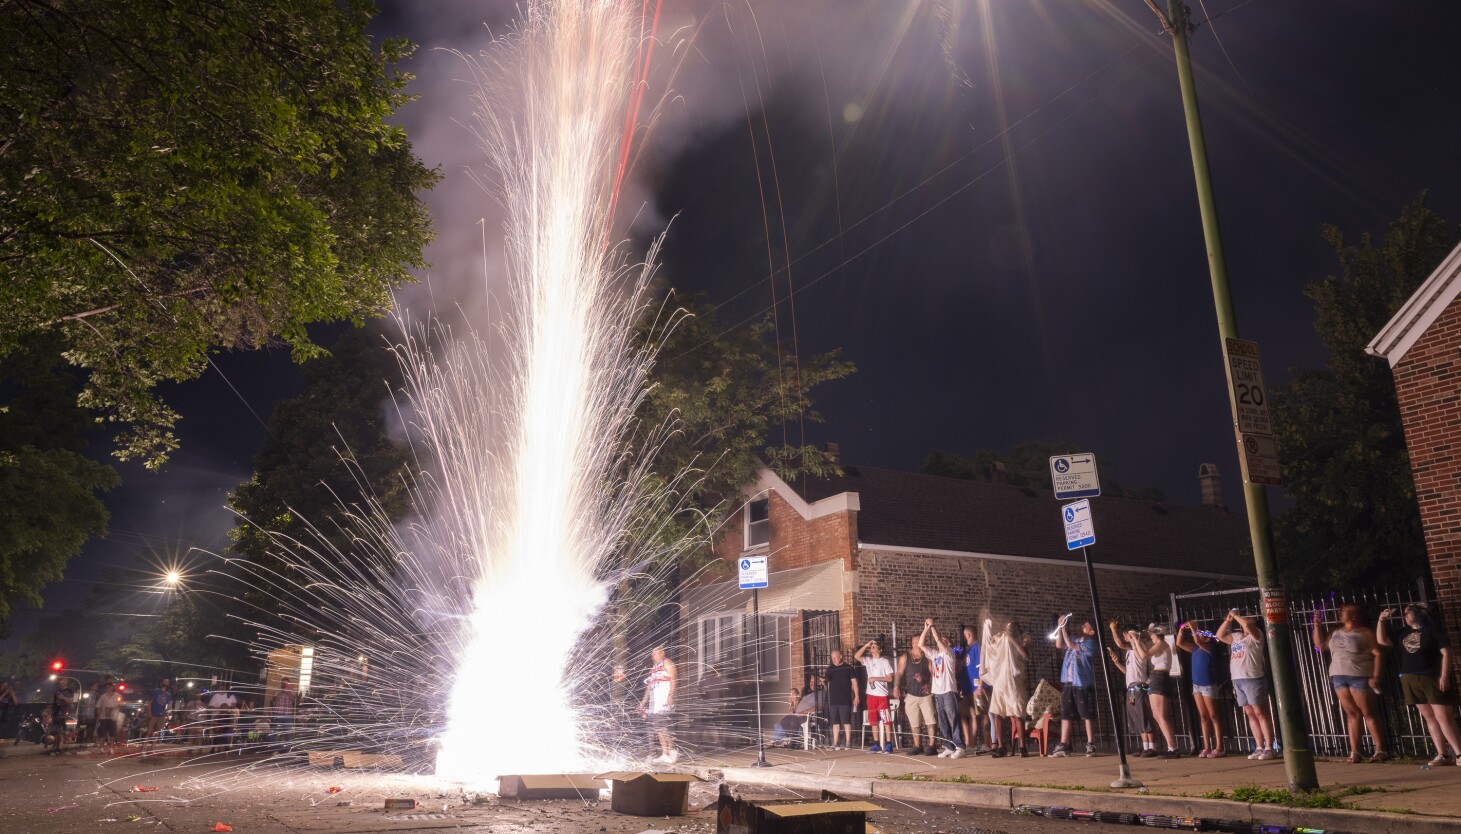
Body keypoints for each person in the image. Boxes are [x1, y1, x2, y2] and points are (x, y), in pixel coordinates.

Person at [1378, 605, 1457, 765]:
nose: (1405, 615)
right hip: (1410, 678)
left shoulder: (1432, 631)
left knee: (1444, 717)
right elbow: (1382, 640)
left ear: (1419, 613)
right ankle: (1442, 754)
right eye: (1404, 612)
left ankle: (1459, 753)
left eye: (1409, 611)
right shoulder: (1403, 632)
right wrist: (1381, 621)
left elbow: (1447, 652)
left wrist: (1444, 675)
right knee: (1430, 717)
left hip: (1431, 676)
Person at [1312, 603, 1386, 763]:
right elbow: (1319, 646)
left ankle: (1380, 749)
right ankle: (1355, 751)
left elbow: (1377, 653)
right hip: (1338, 675)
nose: (1340, 613)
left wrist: (1375, 676)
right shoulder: (1335, 631)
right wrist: (1317, 627)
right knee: (1352, 713)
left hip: (1359, 674)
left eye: (1344, 611)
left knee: (1368, 712)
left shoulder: (1364, 633)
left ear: (1354, 615)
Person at [1216, 609, 1276, 760]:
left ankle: (1270, 747)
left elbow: (1248, 626)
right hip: (1238, 679)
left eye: (1250, 620)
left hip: (1252, 677)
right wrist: (1228, 620)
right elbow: (1220, 635)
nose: (1246, 622)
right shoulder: (1237, 637)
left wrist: (1236, 615)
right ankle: (1259, 746)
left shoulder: (1257, 635)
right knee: (1250, 713)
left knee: (1260, 712)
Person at [1050, 614, 1099, 757]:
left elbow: (1071, 646)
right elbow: (1059, 644)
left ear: (1092, 631)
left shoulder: (1091, 643)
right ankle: (1064, 744)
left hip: (1082, 682)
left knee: (1086, 713)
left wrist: (1063, 627)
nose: (1083, 626)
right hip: (1068, 681)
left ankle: (1090, 743)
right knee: (1066, 713)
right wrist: (1060, 627)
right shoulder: (1075, 638)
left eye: (1087, 625)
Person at [1176, 622, 1227, 758]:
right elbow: (1179, 643)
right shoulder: (1195, 649)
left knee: (1214, 715)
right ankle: (1206, 747)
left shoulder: (1209, 647)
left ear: (1208, 637)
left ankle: (1219, 747)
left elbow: (1198, 640)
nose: (1198, 635)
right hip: (1197, 685)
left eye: (1202, 633)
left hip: (1208, 685)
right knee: (1203, 716)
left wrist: (1193, 628)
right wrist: (1181, 630)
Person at [1107, 620, 1156, 758]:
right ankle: (1145, 746)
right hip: (1132, 688)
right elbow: (1128, 672)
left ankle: (1152, 747)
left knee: (1143, 714)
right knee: (1136, 715)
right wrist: (1117, 663)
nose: (1124, 638)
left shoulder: (1137, 646)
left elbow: (1120, 644)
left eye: (1125, 635)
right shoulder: (1130, 652)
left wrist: (1113, 628)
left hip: (1140, 686)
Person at [981, 619, 1030, 757]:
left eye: (1011, 628)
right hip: (1000, 681)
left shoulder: (1024, 640)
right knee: (997, 712)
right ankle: (1001, 746)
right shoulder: (1001, 639)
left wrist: (1011, 640)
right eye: (1007, 628)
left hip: (1014, 682)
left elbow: (1025, 655)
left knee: (1017, 713)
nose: (1008, 630)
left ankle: (1022, 746)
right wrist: (987, 631)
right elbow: (991, 647)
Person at [923, 619, 966, 758]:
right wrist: (925, 629)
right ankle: (949, 746)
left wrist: (932, 626)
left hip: (948, 691)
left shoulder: (949, 654)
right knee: (942, 722)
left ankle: (960, 747)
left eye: (944, 640)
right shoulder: (935, 655)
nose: (940, 641)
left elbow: (937, 639)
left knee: (953, 719)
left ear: (948, 644)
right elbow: (921, 644)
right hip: (938, 692)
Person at [1142, 627, 1181, 758]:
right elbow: (1141, 655)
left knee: (1161, 715)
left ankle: (1173, 748)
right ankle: (1171, 746)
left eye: (1151, 634)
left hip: (1160, 677)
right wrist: (1134, 642)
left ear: (1156, 634)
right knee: (1156, 715)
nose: (1150, 636)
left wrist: (1135, 641)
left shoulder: (1161, 644)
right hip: (1155, 677)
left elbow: (1144, 655)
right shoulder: (1157, 645)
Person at [895, 633, 936, 754]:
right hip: (911, 694)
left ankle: (932, 746)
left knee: (930, 721)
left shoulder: (928, 656)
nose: (917, 644)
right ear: (911, 643)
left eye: (919, 641)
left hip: (926, 695)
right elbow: (899, 673)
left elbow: (934, 674)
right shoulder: (905, 657)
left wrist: (929, 684)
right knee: (914, 722)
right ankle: (918, 746)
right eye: (915, 642)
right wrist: (896, 687)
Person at [854, 638, 895, 753]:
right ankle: (876, 744)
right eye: (872, 646)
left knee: (886, 720)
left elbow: (890, 678)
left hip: (881, 695)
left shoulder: (884, 662)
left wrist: (875, 678)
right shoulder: (868, 660)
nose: (872, 647)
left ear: (880, 650)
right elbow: (857, 656)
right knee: (873, 720)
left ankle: (888, 744)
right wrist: (866, 645)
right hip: (871, 695)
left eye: (875, 646)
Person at [639, 645, 678, 764]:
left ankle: (672, 749)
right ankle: (665, 754)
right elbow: (649, 687)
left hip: (663, 701)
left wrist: (670, 696)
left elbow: (674, 679)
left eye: (655, 653)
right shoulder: (654, 668)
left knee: (662, 726)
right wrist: (643, 702)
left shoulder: (667, 663)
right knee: (656, 727)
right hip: (654, 703)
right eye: (652, 654)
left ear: (662, 653)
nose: (653, 656)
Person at [954, 626, 988, 753]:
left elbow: (981, 668)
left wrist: (980, 686)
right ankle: (971, 744)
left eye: (964, 635)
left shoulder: (977, 647)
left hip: (977, 688)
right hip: (968, 689)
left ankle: (987, 744)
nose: (964, 638)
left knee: (983, 714)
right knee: (971, 715)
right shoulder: (968, 651)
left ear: (969, 635)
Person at [822, 649, 861, 750]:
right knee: (835, 722)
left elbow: (854, 683)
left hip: (845, 699)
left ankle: (848, 742)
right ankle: (835, 743)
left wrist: (856, 696)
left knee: (846, 721)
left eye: (836, 657)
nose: (834, 659)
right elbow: (826, 681)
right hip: (833, 700)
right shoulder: (830, 669)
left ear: (841, 656)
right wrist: (823, 681)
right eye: (832, 658)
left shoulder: (848, 668)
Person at [270, 679, 297, 749]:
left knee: (288, 733)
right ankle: (276, 749)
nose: (284, 684)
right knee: (276, 732)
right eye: (283, 683)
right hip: (277, 714)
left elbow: (293, 700)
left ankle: (288, 749)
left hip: (288, 715)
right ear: (281, 683)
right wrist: (282, 691)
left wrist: (288, 692)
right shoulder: (277, 691)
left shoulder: (291, 691)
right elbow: (275, 700)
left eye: (286, 683)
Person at [144, 678, 173, 743]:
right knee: (149, 731)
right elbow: (150, 702)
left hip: (161, 715)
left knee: (157, 732)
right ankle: (144, 746)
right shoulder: (156, 691)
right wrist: (149, 712)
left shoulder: (168, 695)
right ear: (161, 683)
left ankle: (153, 747)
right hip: (153, 714)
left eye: (167, 681)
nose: (166, 682)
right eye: (165, 681)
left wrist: (167, 712)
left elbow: (167, 706)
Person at [96, 682, 123, 753]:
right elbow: (98, 706)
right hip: (103, 717)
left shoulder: (118, 696)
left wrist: (113, 709)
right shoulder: (103, 697)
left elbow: (120, 705)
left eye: (110, 687)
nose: (109, 688)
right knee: (102, 733)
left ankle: (111, 748)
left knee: (112, 734)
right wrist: (99, 714)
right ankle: (101, 748)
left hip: (113, 717)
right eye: (107, 687)